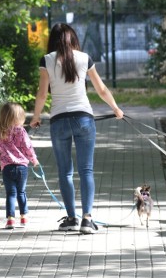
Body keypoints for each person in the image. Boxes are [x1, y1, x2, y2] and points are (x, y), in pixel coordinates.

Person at [30, 23, 124, 234]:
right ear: (73, 38)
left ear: (53, 40)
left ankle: (71, 218)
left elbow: (42, 94)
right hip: (84, 119)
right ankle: (87, 220)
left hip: (59, 121)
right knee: (86, 170)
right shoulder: (84, 58)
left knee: (65, 172)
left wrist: (36, 117)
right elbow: (101, 89)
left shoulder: (47, 60)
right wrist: (116, 109)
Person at [0, 102, 39, 229]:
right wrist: (34, 159)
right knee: (21, 192)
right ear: (18, 117)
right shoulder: (21, 131)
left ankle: (10, 219)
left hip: (7, 168)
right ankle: (24, 217)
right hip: (22, 167)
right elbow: (27, 146)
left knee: (11, 194)